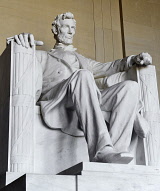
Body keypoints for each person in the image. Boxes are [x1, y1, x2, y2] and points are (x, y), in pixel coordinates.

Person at [13, 12, 152, 164]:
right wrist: (21, 41)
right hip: (58, 98)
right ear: (55, 29)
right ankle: (101, 150)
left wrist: (133, 59)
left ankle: (116, 151)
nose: (71, 31)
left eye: (73, 27)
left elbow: (108, 67)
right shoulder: (41, 56)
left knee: (130, 87)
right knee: (83, 75)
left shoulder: (82, 60)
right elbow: (20, 55)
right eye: (66, 27)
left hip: (86, 96)